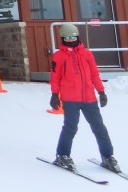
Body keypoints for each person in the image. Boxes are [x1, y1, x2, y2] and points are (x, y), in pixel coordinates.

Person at [49, 23, 120, 172]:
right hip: (70, 99)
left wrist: (101, 91)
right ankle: (62, 155)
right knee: (70, 127)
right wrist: (54, 94)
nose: (70, 40)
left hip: (89, 98)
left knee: (99, 127)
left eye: (72, 37)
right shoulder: (58, 56)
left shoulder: (87, 54)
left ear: (77, 37)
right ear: (62, 38)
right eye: (67, 38)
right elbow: (55, 77)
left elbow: (94, 74)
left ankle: (107, 156)